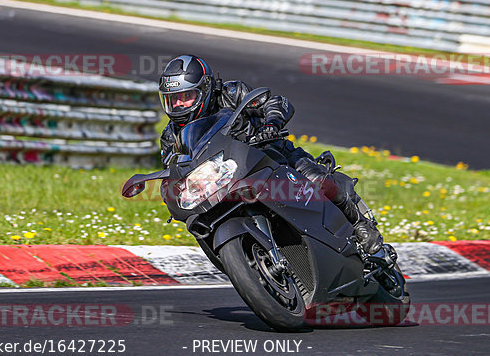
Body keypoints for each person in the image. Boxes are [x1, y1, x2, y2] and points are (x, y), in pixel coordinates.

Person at [157, 54, 383, 254]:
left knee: (318, 181)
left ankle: (360, 225)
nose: (178, 105)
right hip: (223, 181)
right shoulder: (170, 136)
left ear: (205, 89)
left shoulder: (231, 93)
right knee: (198, 223)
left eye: (185, 96)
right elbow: (173, 168)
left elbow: (275, 103)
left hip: (270, 155)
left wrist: (270, 125)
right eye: (172, 99)